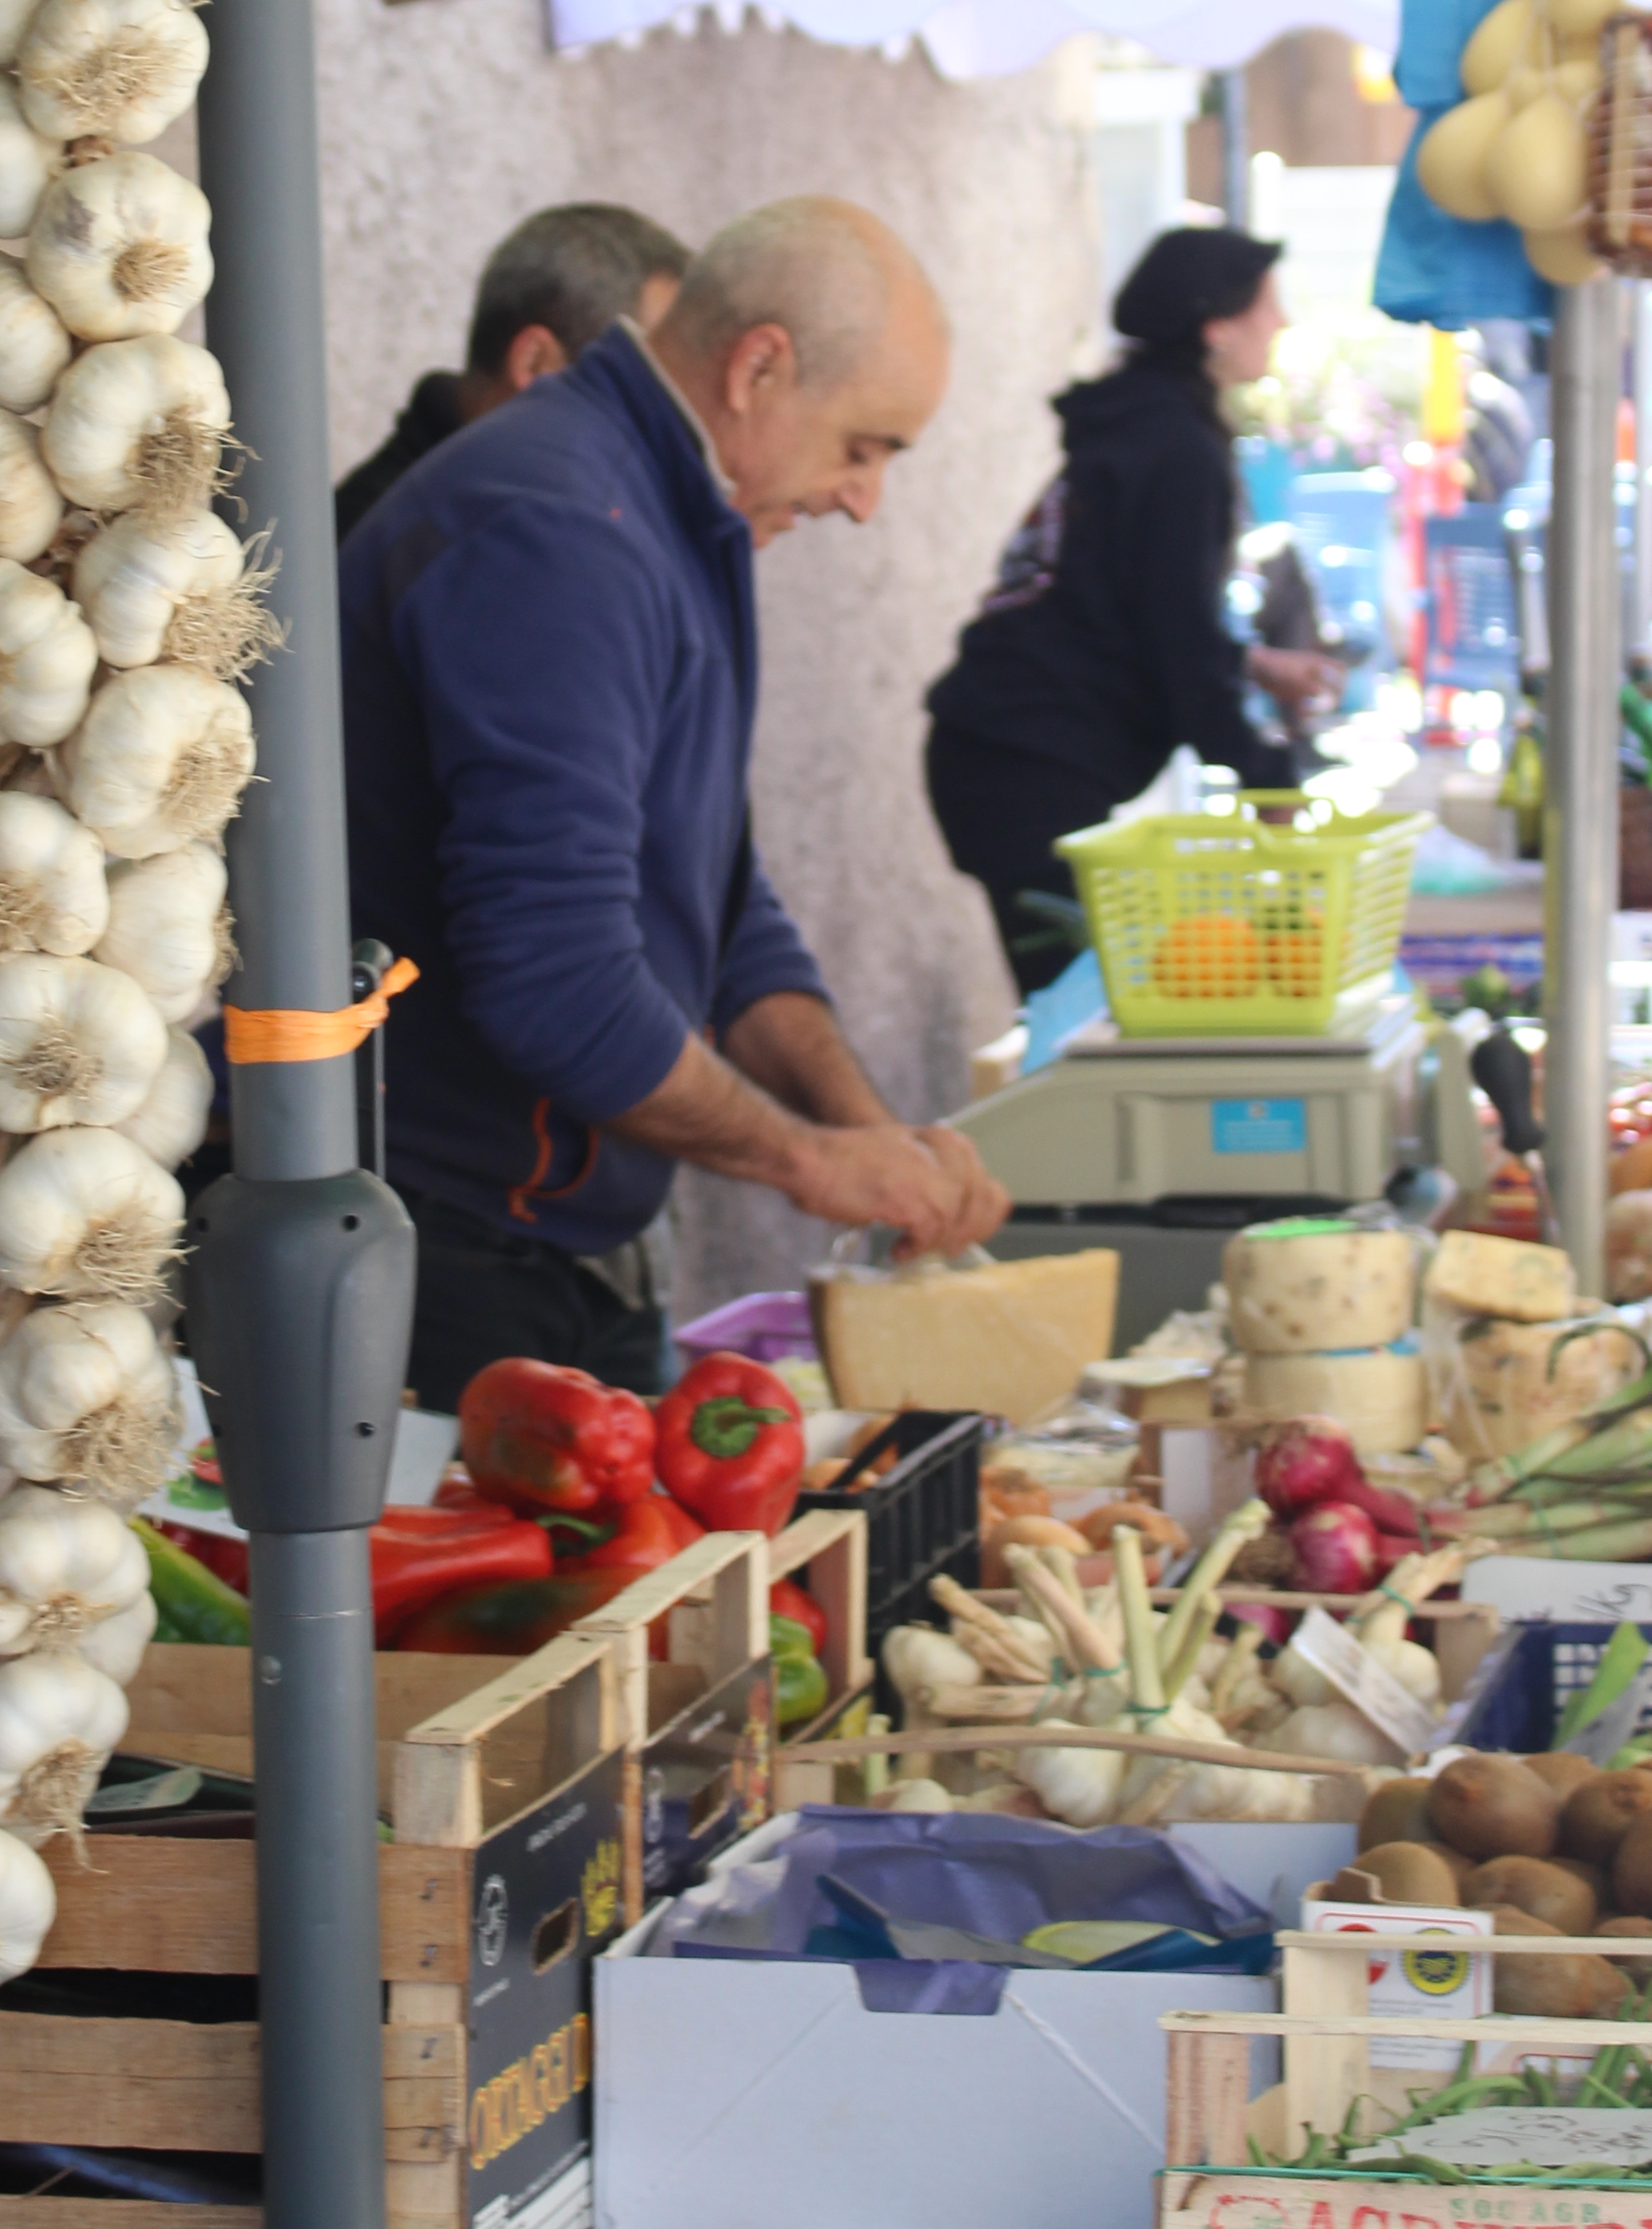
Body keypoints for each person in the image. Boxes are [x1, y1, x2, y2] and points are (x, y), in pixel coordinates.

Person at [341, 197, 1011, 1404]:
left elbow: (717, 897)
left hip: (552, 1239)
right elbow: (554, 979)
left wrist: (869, 1135)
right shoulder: (564, 529)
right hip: (429, 1241)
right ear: (759, 368)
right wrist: (806, 1162)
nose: (863, 500)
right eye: (865, 448)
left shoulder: (669, 511)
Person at [924, 225, 1338, 996]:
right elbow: (1179, 647)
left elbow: (1129, 606)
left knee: (1099, 1004)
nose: (1281, 323)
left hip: (1002, 754)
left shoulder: (1142, 425)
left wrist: (1250, 664)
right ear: (1216, 325)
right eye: (1267, 305)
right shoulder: (1175, 448)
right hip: (1026, 762)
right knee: (1098, 1010)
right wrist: (1267, 777)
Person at [333, 201, 689, 541]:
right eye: (644, 383)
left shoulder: (504, 517)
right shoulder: (415, 544)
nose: (671, 430)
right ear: (535, 365)